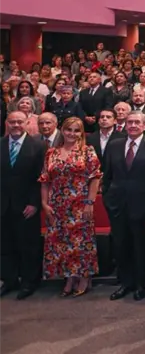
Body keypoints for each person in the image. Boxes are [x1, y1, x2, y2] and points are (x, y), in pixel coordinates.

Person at [102, 111, 145, 301]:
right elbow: (107, 175)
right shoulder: (114, 145)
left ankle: (141, 284)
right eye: (130, 122)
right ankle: (125, 283)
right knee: (121, 246)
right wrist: (107, 198)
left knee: (140, 246)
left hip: (142, 205)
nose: (133, 125)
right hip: (117, 204)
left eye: (137, 122)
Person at [39, 117, 101, 297]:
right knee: (62, 242)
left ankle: (84, 277)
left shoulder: (87, 151)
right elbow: (45, 180)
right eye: (68, 129)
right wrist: (44, 203)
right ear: (62, 130)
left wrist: (90, 202)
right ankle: (69, 278)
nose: (72, 134)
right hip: (57, 205)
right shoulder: (51, 152)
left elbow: (95, 178)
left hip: (80, 203)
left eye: (76, 130)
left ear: (81, 133)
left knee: (81, 243)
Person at [0, 111, 47, 299]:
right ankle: (9, 280)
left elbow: (41, 178)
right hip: (3, 205)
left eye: (20, 121)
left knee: (28, 245)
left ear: (27, 123)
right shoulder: (0, 144)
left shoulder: (38, 146)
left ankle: (29, 282)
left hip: (27, 205)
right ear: (7, 123)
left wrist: (35, 203)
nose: (16, 125)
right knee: (5, 246)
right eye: (12, 122)